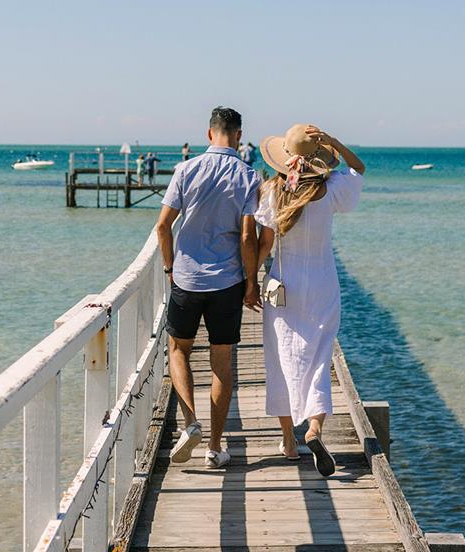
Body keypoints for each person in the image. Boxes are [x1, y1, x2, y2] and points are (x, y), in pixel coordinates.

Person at [254, 124, 365, 477]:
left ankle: (289, 442)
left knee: (281, 357)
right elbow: (358, 168)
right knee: (319, 358)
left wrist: (249, 281)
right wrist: (333, 141)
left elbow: (264, 244)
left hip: (283, 286)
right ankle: (314, 430)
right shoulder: (329, 189)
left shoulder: (273, 192)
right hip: (322, 284)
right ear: (318, 158)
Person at [156, 107, 262, 469]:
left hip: (186, 278)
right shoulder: (249, 175)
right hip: (227, 282)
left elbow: (162, 226)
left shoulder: (185, 170)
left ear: (208, 134)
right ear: (238, 134)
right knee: (222, 363)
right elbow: (249, 236)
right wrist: (252, 283)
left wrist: (171, 267)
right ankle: (215, 448)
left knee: (178, 350)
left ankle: (190, 424)